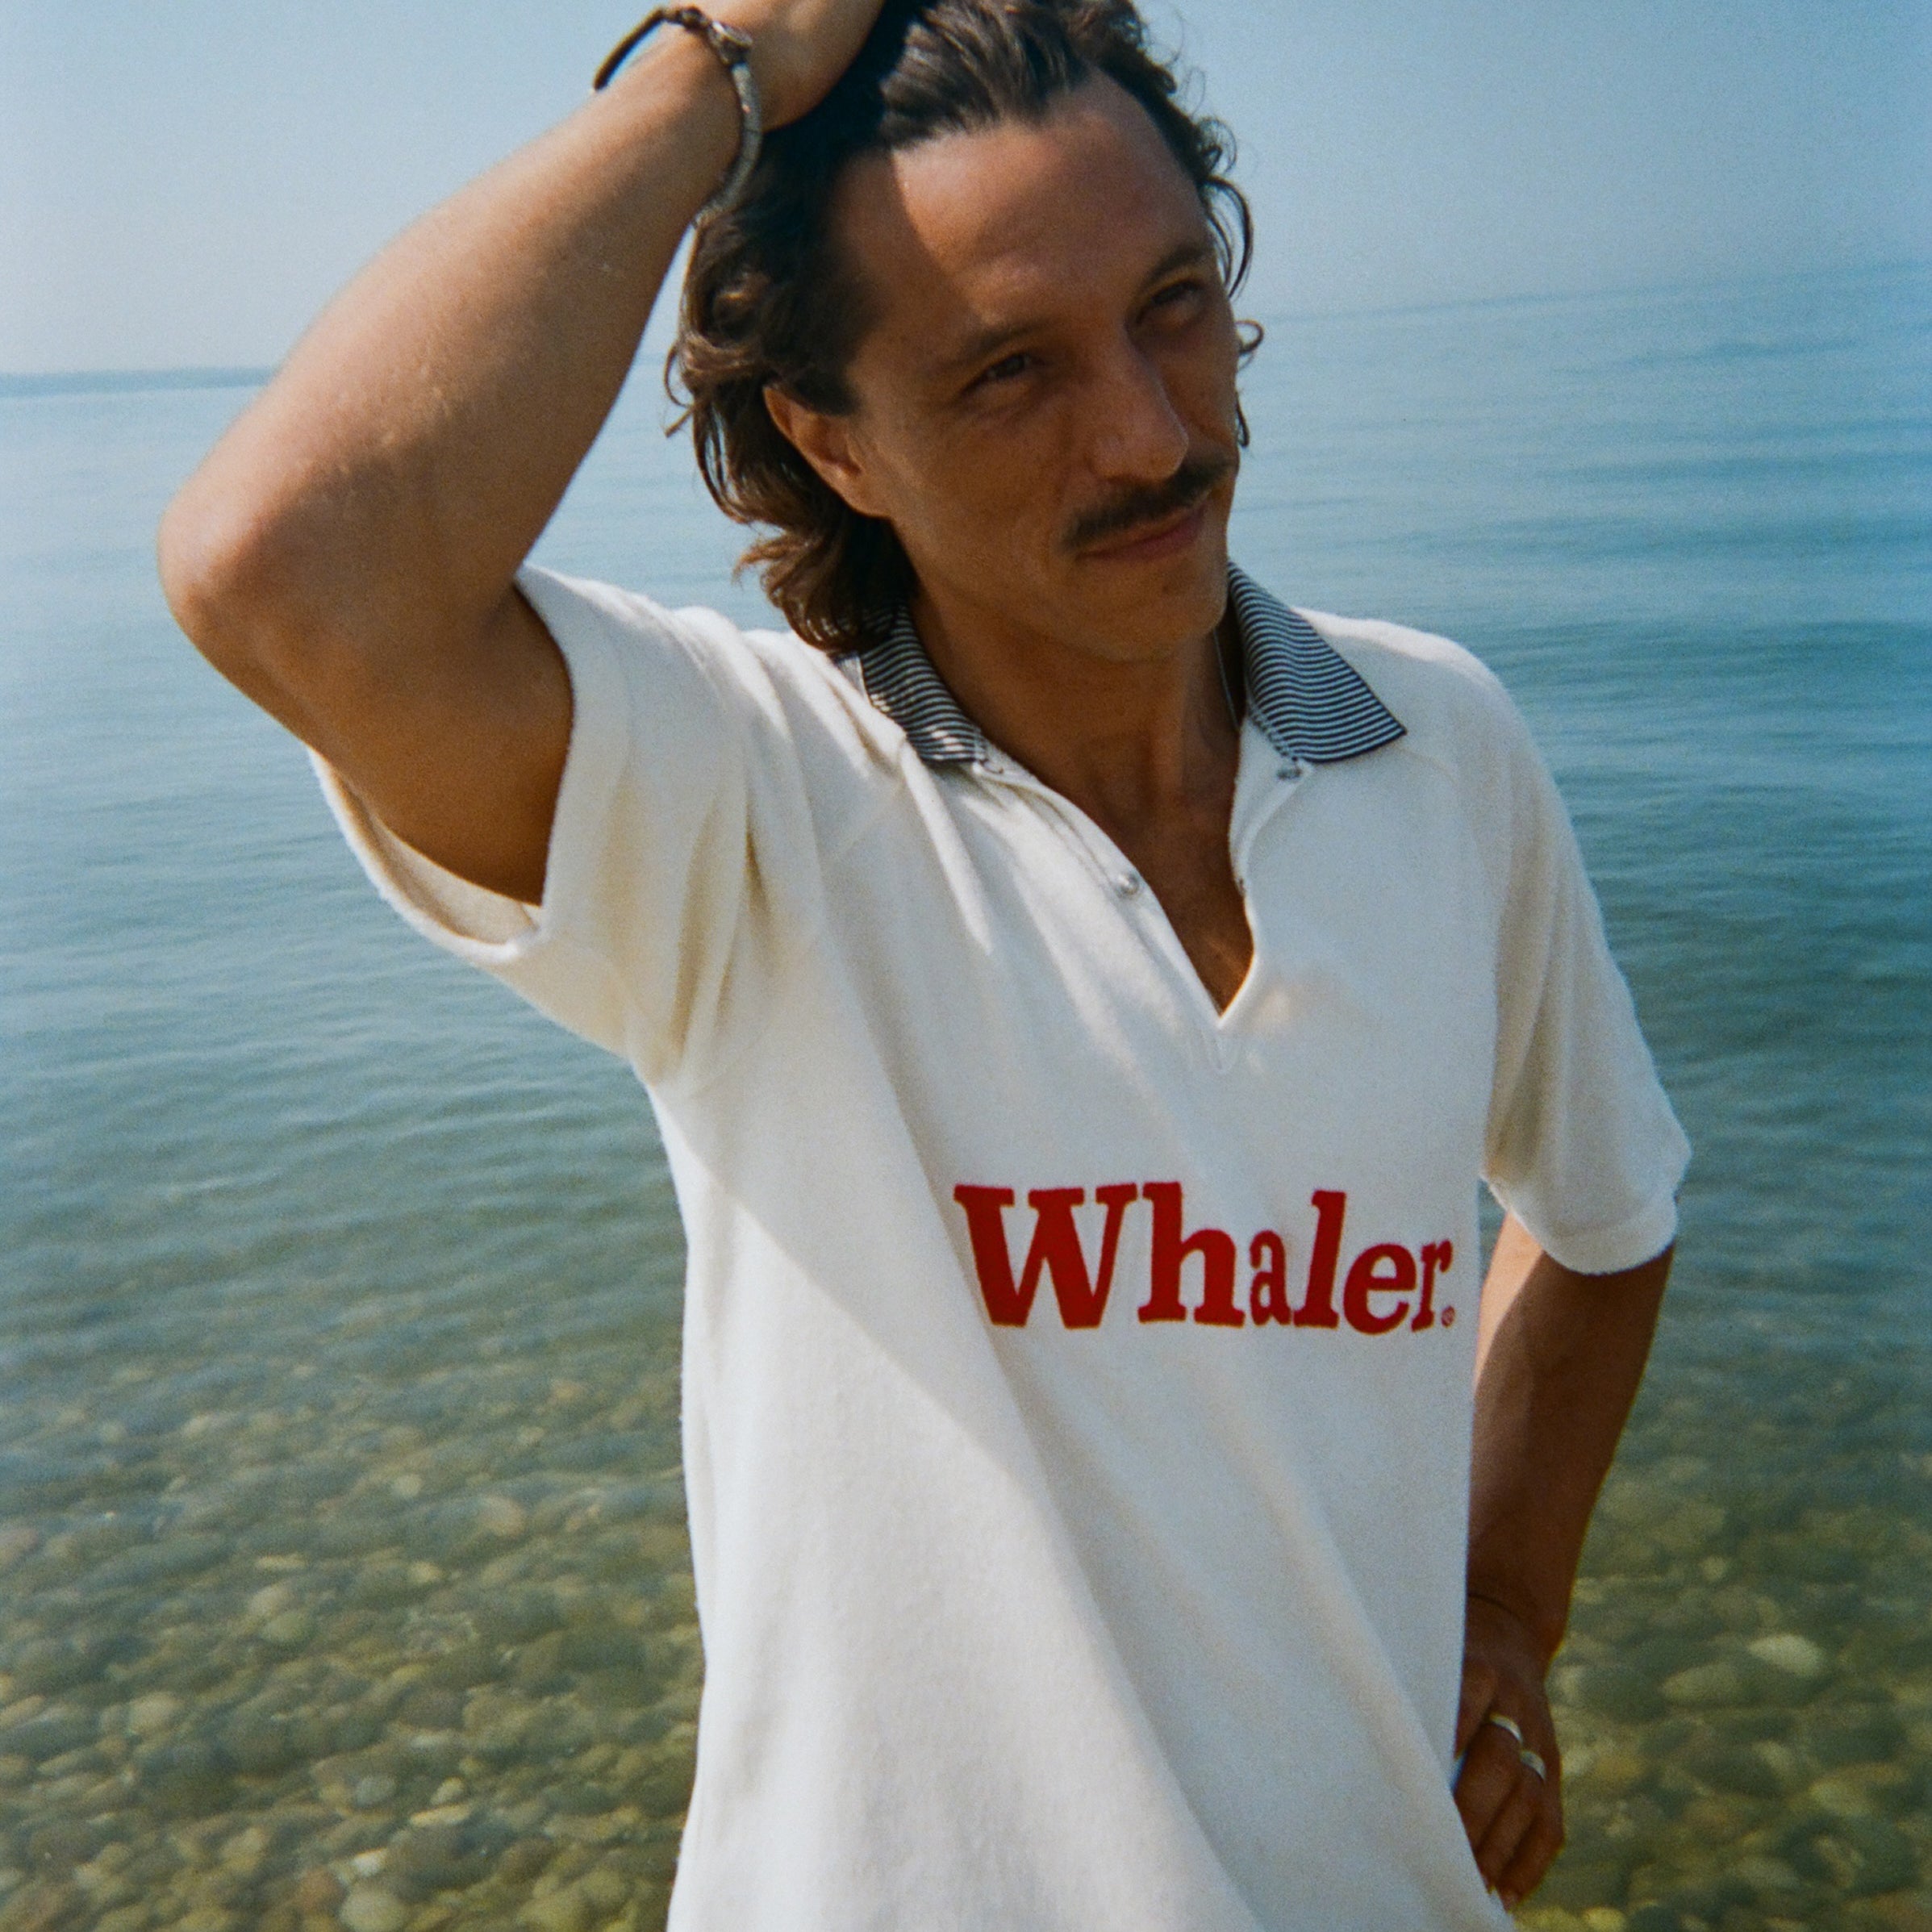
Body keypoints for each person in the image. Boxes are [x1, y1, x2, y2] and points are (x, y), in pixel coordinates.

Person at [158, 0, 1689, 1924]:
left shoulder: (1438, 745)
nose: (1151, 431)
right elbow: (285, 567)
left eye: (1174, 303)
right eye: (1007, 375)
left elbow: (1604, 1209)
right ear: (830, 439)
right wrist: (711, 69)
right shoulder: (747, 806)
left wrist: (1509, 1615)